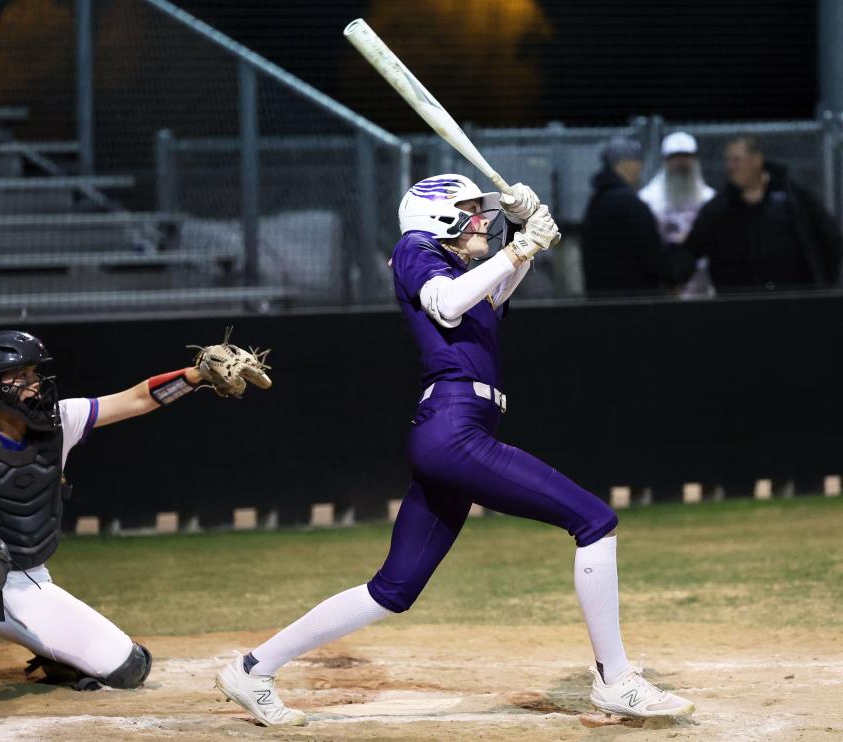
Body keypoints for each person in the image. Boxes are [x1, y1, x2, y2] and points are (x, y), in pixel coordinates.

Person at [215, 174, 695, 726]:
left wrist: (521, 232)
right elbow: (446, 304)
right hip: (454, 428)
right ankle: (616, 681)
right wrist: (520, 243)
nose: (481, 221)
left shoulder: (459, 270)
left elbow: (490, 292)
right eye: (471, 210)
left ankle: (252, 668)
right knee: (595, 521)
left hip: (457, 431)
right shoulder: (414, 249)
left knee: (391, 590)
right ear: (439, 218)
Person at [0, 329, 268, 711]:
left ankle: (55, 652)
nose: (34, 384)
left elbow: (138, 398)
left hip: (28, 579)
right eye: (20, 377)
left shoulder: (60, 421)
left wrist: (196, 376)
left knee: (129, 667)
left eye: (33, 374)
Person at [684, 135, 842, 292]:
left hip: (792, 301)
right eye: (728, 160)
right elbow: (690, 251)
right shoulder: (718, 208)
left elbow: (829, 237)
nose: (730, 167)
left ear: (756, 160)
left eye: (736, 160)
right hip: (738, 305)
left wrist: (824, 285)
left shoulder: (793, 199)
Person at [581, 136, 670, 295]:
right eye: (637, 161)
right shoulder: (629, 204)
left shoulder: (597, 200)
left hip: (601, 297)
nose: (640, 167)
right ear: (624, 163)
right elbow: (652, 256)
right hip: (632, 300)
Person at [638, 131, 716, 297]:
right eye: (675, 157)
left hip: (703, 287)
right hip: (664, 287)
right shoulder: (647, 200)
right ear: (665, 160)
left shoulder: (710, 199)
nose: (681, 163)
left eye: (686, 157)